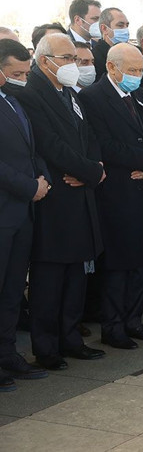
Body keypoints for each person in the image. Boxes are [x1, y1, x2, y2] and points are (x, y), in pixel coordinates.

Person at [17, 33, 106, 369]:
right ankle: (46, 347)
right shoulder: (32, 94)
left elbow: (89, 136)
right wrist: (90, 171)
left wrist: (94, 169)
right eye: (67, 58)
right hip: (56, 199)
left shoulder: (69, 92)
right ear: (45, 61)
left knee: (75, 275)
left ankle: (70, 338)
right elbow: (50, 145)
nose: (74, 64)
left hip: (81, 192)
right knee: (50, 278)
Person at [78, 44, 143, 349]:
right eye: (131, 70)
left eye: (140, 69)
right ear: (111, 67)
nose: (137, 75)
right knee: (118, 264)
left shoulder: (139, 94)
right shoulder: (92, 97)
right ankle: (113, 326)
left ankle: (134, 321)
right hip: (117, 192)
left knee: (142, 261)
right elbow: (102, 144)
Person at [0, 39, 50, 388]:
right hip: (6, 209)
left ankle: (7, 354)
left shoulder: (13, 100)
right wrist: (29, 186)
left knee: (13, 289)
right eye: (16, 73)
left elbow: (31, 150)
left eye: (26, 72)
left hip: (21, 214)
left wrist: (41, 178)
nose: (23, 79)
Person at [92, 7, 130, 82]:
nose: (125, 30)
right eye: (120, 25)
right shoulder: (95, 56)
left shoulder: (129, 53)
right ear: (104, 29)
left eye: (127, 25)